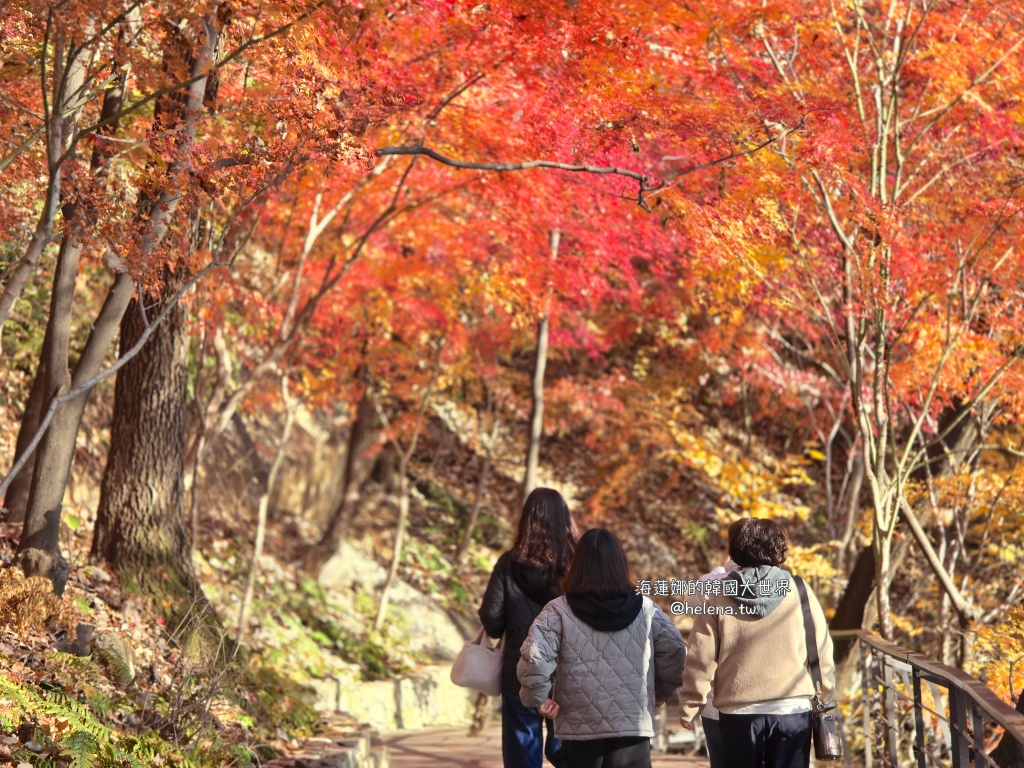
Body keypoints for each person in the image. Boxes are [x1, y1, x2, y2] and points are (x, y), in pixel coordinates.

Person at [517, 528, 687, 768]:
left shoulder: (558, 610)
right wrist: (662, 691)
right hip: (632, 724)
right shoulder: (647, 609)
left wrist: (538, 696)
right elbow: (675, 651)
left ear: (578, 565)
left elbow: (535, 654)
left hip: (579, 727)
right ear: (619, 564)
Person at [679, 518, 836, 768]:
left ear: (735, 550)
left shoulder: (718, 594)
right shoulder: (799, 590)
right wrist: (826, 692)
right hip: (791, 708)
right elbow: (820, 649)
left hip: (738, 712)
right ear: (779, 548)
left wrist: (690, 704)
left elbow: (701, 656)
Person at [480, 487, 578, 768]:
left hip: (520, 672)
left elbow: (492, 620)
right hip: (569, 672)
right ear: (564, 521)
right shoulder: (577, 566)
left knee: (522, 749)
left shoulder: (508, 565)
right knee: (569, 749)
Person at [681, 556, 739, 768]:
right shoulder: (781, 585)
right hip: (775, 702)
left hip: (717, 703)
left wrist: (718, 570)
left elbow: (689, 604)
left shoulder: (711, 584)